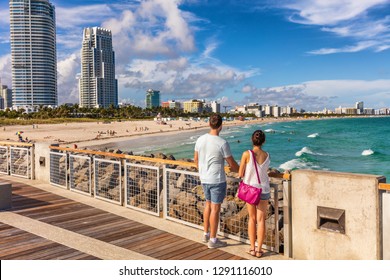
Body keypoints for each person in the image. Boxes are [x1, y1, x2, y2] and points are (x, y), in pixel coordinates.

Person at [194, 114, 239, 249]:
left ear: (209, 124)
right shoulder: (222, 143)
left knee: (208, 205)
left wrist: (202, 171)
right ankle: (213, 240)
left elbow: (195, 159)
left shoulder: (200, 139)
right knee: (215, 209)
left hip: (204, 178)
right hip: (217, 180)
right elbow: (232, 164)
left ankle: (206, 233)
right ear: (221, 126)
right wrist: (243, 170)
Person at [238, 130, 270, 258]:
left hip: (251, 190)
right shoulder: (267, 155)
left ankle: (252, 248)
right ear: (264, 142)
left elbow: (240, 173)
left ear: (252, 140)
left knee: (252, 219)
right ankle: (259, 250)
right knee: (261, 220)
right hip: (264, 190)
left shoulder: (247, 154)